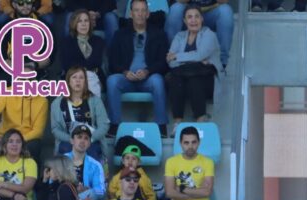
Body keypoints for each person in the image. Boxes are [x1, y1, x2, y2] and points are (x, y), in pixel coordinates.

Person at [107, 0, 170, 135]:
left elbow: (163, 63)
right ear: (131, 13)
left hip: (148, 78)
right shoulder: (120, 34)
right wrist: (124, 72)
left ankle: (161, 126)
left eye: (143, 10)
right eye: (136, 10)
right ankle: (114, 125)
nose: (140, 14)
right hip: (127, 78)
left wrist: (148, 71)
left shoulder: (158, 34)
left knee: (158, 80)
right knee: (112, 81)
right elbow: (112, 63)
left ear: (148, 13)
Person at [166, 5, 220, 125]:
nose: (193, 20)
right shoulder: (179, 36)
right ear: (184, 21)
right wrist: (195, 60)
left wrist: (178, 56)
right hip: (183, 78)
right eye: (189, 17)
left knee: (194, 79)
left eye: (197, 16)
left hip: (207, 81)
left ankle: (200, 121)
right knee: (177, 79)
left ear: (202, 19)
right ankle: (177, 123)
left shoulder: (209, 35)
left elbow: (199, 55)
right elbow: (170, 61)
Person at [50, 68, 108, 161]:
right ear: (68, 81)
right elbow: (55, 129)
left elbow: (104, 126)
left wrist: (89, 139)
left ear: (85, 82)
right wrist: (71, 140)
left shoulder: (95, 100)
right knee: (67, 153)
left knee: (91, 154)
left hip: (91, 141)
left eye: (81, 78)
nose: (78, 80)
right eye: (74, 77)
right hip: (68, 142)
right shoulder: (57, 103)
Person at [165, 0, 232, 69]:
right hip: (189, 12)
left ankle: (223, 63)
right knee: (175, 8)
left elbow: (224, 1)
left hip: (212, 13)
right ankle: (171, 55)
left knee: (225, 10)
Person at [0, 94, 48, 163]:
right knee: (0, 148)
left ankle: (32, 173)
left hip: (27, 138)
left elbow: (38, 131)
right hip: (7, 136)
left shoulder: (42, 101)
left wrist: (18, 140)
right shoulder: (8, 93)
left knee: (35, 146)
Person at [60, 10, 105, 95]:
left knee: (91, 80)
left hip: (94, 76)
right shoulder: (66, 42)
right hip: (72, 76)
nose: (83, 24)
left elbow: (96, 61)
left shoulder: (98, 41)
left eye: (86, 21)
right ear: (74, 23)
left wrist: (78, 64)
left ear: (90, 23)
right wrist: (84, 69)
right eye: (80, 21)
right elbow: (67, 65)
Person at [64, 124, 105, 200]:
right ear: (72, 140)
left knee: (92, 194)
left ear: (89, 143)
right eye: (79, 137)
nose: (82, 141)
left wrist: (88, 190)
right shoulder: (61, 160)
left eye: (86, 138)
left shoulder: (96, 165)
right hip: (64, 199)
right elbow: (52, 183)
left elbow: (102, 190)